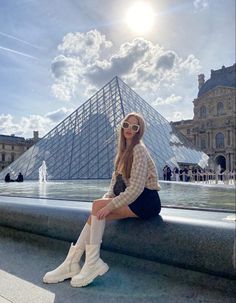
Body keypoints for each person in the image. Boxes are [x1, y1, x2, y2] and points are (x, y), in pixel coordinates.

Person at [43, 112, 162, 287]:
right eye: (126, 125)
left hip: (147, 200)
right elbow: (114, 185)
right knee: (96, 210)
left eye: (134, 127)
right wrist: (106, 200)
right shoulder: (123, 152)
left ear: (139, 131)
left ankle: (88, 263)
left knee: (98, 208)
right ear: (122, 126)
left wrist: (109, 205)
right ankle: (73, 262)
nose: (129, 129)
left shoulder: (139, 149)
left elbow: (136, 188)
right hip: (135, 199)